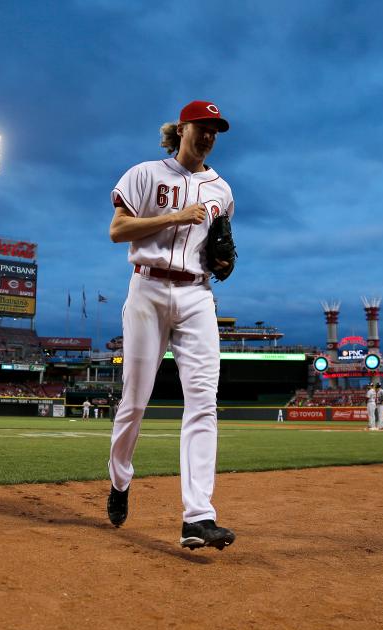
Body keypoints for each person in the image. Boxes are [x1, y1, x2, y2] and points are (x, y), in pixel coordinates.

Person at [106, 99, 236, 551]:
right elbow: (118, 230)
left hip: (197, 295)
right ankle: (120, 481)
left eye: (215, 130)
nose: (208, 136)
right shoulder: (145, 173)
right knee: (135, 401)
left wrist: (221, 260)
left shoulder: (223, 190)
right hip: (147, 289)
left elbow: (220, 243)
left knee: (203, 401)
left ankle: (198, 516)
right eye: (201, 127)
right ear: (181, 129)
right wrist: (175, 217)